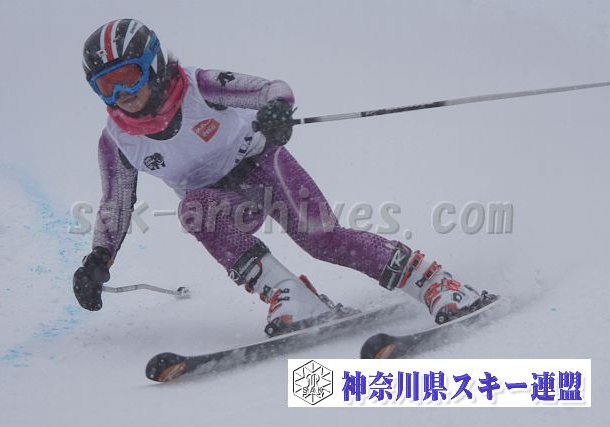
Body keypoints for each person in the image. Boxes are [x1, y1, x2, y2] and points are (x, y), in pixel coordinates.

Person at [73, 19, 487, 337]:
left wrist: (276, 111)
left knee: (322, 240)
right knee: (194, 210)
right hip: (223, 203)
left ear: (152, 65)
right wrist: (98, 259)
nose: (120, 95)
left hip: (265, 167)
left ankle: (436, 283)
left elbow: (273, 89)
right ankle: (293, 297)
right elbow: (115, 203)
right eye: (105, 86)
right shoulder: (118, 141)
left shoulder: (199, 87)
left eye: (127, 78)